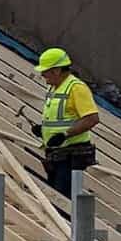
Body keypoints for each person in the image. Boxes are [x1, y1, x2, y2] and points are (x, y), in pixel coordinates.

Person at [34, 48, 100, 196]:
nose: (42, 74)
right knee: (56, 197)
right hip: (55, 154)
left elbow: (92, 119)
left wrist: (65, 135)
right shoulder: (54, 88)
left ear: (56, 71)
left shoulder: (76, 88)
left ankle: (67, 220)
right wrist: (43, 130)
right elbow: (59, 118)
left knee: (63, 200)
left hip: (71, 155)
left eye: (45, 71)